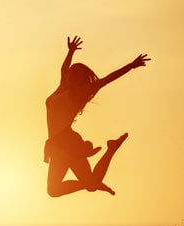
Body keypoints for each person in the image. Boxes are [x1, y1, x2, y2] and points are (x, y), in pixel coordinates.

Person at [45, 36, 150, 197]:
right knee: (55, 190)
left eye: (74, 73)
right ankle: (107, 156)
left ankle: (111, 149)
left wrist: (131, 65)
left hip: (67, 142)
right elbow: (63, 69)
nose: (70, 73)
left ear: (78, 78)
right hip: (55, 143)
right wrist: (70, 51)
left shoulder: (78, 93)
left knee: (91, 184)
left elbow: (107, 80)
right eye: (71, 71)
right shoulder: (61, 88)